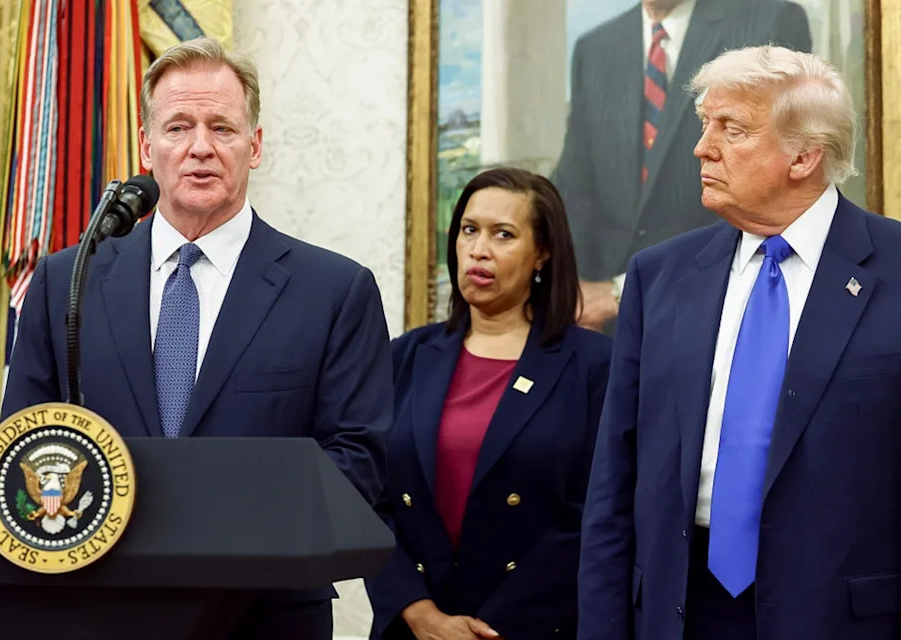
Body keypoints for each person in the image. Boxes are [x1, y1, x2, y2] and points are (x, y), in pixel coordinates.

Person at [0, 37, 392, 640]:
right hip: (97, 610)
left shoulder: (335, 291)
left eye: (222, 128)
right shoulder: (65, 282)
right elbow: (23, 448)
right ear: (146, 145)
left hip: (265, 615)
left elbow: (358, 462)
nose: (200, 147)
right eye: (178, 127)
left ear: (254, 146)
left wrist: (218, 526)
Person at [577, 45, 901, 640]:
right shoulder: (660, 276)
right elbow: (614, 481)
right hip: (678, 610)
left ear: (803, 155)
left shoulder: (895, 268)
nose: (702, 147)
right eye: (706, 124)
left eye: (731, 128)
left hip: (842, 616)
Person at [366, 168, 611, 639]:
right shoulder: (406, 357)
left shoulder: (594, 366)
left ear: (542, 253)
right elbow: (369, 500)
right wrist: (421, 614)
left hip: (535, 627)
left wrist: (492, 628)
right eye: (469, 230)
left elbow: (593, 516)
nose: (479, 249)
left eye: (503, 235)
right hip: (416, 628)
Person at [551, 0, 811, 332]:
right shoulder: (595, 48)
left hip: (716, 306)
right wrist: (569, 290)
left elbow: (768, 191)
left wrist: (621, 290)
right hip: (601, 323)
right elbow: (575, 189)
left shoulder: (769, 24)